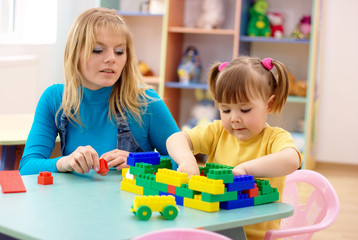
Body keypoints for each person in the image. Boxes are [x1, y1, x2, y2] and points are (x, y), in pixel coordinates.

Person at [19, 8, 179, 176]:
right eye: (97, 49)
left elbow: (182, 161)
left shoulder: (147, 102)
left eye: (119, 51)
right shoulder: (55, 99)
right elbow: (27, 167)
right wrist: (65, 162)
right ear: (75, 53)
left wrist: (139, 162)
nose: (112, 58)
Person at [166, 56, 301, 239]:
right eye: (226, 110)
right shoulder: (218, 131)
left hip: (254, 236)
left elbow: (292, 160)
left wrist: (246, 169)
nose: (234, 118)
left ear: (268, 105)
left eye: (244, 110)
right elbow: (175, 139)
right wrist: (187, 159)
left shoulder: (274, 138)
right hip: (212, 230)